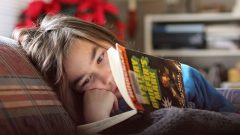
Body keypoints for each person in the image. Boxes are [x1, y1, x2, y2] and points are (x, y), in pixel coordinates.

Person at [13, 15, 235, 125]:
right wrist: (99, 120)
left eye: (100, 58)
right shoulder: (95, 114)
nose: (107, 77)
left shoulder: (186, 78)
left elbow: (229, 118)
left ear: (110, 41)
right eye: (86, 81)